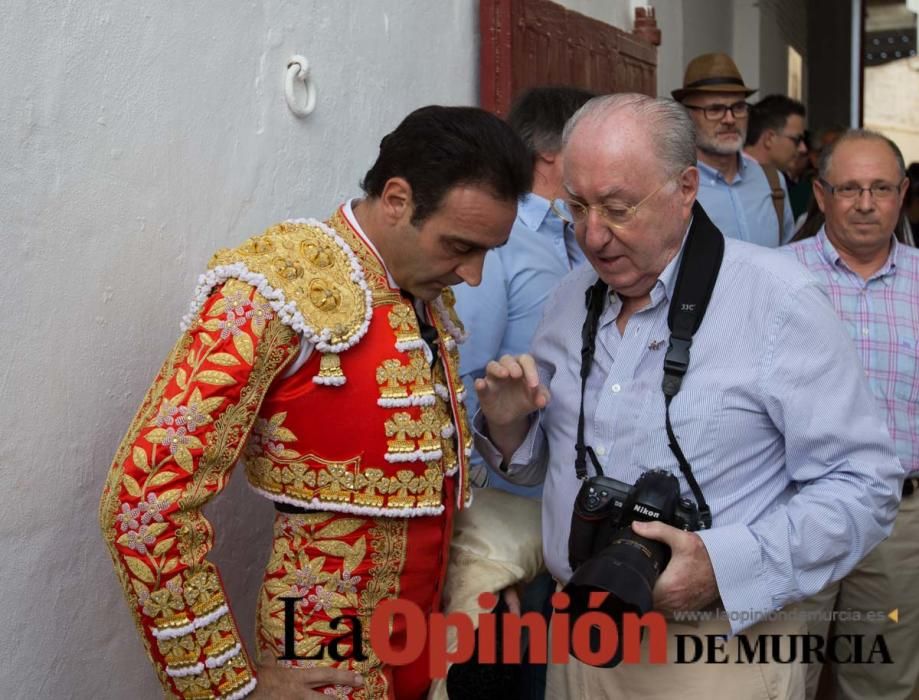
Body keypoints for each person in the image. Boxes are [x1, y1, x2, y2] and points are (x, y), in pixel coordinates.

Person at [472, 93, 903, 699]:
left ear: (686, 188)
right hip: (579, 642)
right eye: (577, 207)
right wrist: (510, 427)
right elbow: (557, 457)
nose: (593, 235)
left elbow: (865, 483)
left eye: (618, 208)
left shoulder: (778, 299)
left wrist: (725, 567)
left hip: (713, 652)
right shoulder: (571, 296)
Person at [98, 105, 532, 700]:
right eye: (459, 246)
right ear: (397, 199)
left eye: (488, 250)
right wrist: (229, 686)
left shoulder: (421, 291)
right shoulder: (274, 290)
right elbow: (145, 503)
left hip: (426, 648)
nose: (475, 276)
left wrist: (475, 576)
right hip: (327, 667)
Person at [788, 130, 919, 700]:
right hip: (792, 512)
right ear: (820, 196)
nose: (866, 204)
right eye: (850, 189)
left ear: (903, 194)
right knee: (782, 673)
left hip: (899, 522)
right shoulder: (771, 278)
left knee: (885, 680)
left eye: (881, 189)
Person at [454, 85, 593, 496]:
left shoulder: (580, 233)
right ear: (552, 151)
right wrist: (480, 481)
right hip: (509, 489)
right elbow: (464, 370)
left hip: (571, 483)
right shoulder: (498, 237)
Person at [673, 53, 795, 246]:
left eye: (738, 107)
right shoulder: (675, 188)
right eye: (714, 110)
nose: (729, 119)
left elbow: (789, 256)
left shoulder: (772, 182)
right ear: (687, 115)